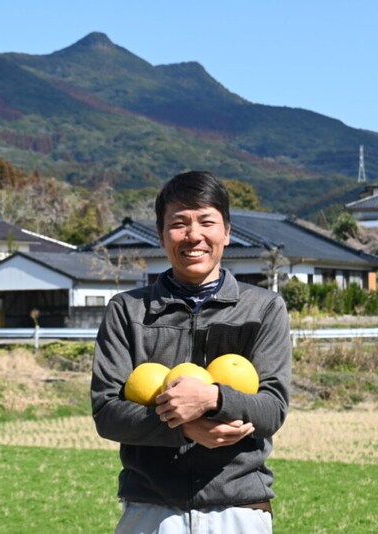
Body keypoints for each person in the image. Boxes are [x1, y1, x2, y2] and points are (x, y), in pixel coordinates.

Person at [91, 170, 292, 533]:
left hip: (238, 509)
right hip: (151, 510)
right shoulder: (128, 311)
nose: (193, 235)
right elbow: (106, 413)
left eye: (206, 221)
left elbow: (272, 409)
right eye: (179, 223)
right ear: (160, 234)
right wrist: (184, 428)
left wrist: (213, 399)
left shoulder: (263, 308)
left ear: (227, 232)